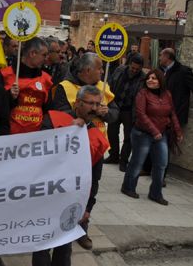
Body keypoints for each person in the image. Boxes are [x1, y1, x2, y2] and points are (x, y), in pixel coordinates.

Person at [33, 85, 109, 266]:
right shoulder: (52, 120)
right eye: (90, 103)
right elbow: (39, 152)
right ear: (77, 104)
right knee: (42, 245)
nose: (94, 108)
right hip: (47, 195)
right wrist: (68, 130)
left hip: (72, 201)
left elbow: (94, 178)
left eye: (97, 104)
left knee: (64, 247)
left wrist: (88, 207)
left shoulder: (97, 137)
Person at [49, 52, 118, 249]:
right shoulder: (64, 87)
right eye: (99, 68)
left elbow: (115, 113)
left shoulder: (104, 88)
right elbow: (58, 112)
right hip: (70, 149)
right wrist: (85, 112)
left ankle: (82, 227)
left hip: (96, 148)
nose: (102, 72)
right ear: (88, 70)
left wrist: (107, 113)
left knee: (90, 187)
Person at [121, 69, 183, 205]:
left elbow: (172, 113)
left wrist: (178, 131)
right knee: (137, 163)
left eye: (154, 78)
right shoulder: (142, 93)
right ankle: (128, 187)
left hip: (161, 135)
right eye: (149, 78)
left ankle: (155, 194)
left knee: (161, 164)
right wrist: (154, 131)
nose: (150, 80)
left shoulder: (167, 94)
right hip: (142, 133)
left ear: (160, 81)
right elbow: (141, 114)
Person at [0, 37, 52, 134]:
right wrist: (9, 96)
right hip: (9, 138)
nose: (46, 58)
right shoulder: (4, 75)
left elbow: (49, 111)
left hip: (37, 138)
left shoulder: (47, 79)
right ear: (32, 53)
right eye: (44, 55)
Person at [106, 54, 145, 170]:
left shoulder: (143, 78)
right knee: (112, 132)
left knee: (128, 137)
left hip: (130, 110)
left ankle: (123, 160)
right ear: (129, 64)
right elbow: (110, 84)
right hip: (116, 106)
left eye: (137, 69)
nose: (134, 70)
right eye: (132, 68)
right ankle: (113, 155)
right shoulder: (120, 70)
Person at [159, 48, 193, 126]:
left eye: (161, 55)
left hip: (176, 117)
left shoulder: (183, 71)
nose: (159, 58)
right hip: (161, 115)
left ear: (167, 56)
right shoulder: (160, 70)